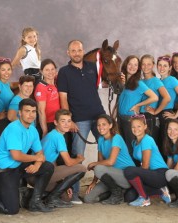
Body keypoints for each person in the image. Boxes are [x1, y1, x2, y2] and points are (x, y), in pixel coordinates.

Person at [57, 40, 105, 204]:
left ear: (83, 51)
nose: (77, 53)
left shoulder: (92, 67)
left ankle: (108, 187)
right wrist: (69, 120)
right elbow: (63, 97)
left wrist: (119, 78)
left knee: (108, 149)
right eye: (73, 50)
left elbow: (102, 82)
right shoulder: (64, 72)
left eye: (79, 50)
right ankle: (75, 193)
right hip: (80, 119)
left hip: (99, 115)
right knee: (78, 155)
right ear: (68, 53)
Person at [0, 98, 54, 214]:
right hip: (4, 170)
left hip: (18, 166)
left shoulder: (33, 129)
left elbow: (40, 153)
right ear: (20, 113)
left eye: (33, 111)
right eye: (27, 111)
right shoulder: (14, 128)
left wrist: (37, 164)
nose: (31, 115)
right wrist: (36, 158)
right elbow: (16, 155)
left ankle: (35, 201)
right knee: (11, 210)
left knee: (48, 167)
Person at [84, 114, 135, 205]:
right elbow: (100, 162)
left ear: (110, 125)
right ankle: (115, 193)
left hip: (126, 176)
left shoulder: (116, 138)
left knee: (98, 167)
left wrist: (93, 164)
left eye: (104, 124)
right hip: (112, 177)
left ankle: (117, 195)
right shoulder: (100, 140)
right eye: (98, 125)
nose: (100, 127)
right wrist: (94, 182)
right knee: (88, 198)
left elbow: (110, 162)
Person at [41, 109, 86, 208]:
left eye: (69, 121)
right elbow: (69, 163)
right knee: (82, 168)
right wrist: (79, 158)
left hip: (42, 176)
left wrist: (63, 183)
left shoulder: (53, 134)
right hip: (41, 176)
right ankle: (51, 199)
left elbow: (52, 162)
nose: (66, 124)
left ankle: (38, 195)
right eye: (63, 121)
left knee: (66, 197)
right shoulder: (58, 137)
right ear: (56, 122)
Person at [123, 115, 170, 207]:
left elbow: (145, 165)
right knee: (129, 196)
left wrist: (137, 175)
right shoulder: (134, 142)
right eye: (133, 127)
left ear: (145, 127)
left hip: (160, 174)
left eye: (139, 126)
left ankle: (144, 199)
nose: (136, 129)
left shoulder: (147, 140)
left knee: (129, 170)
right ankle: (161, 191)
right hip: (150, 174)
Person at [117, 55, 158, 156]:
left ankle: (133, 169)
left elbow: (154, 97)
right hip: (120, 118)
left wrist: (139, 105)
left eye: (136, 65)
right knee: (122, 147)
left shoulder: (138, 83)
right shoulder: (123, 81)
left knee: (130, 148)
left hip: (129, 119)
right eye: (130, 64)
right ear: (126, 65)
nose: (132, 67)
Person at [151, 55, 178, 156]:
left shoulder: (172, 80)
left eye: (165, 66)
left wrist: (176, 115)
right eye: (160, 65)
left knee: (165, 144)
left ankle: (167, 169)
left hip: (166, 114)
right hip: (157, 114)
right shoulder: (158, 81)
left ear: (170, 68)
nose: (162, 68)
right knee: (157, 143)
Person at [140, 54, 170, 146]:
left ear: (153, 65)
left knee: (150, 147)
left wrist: (156, 111)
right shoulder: (140, 81)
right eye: (143, 64)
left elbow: (167, 97)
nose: (146, 67)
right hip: (140, 117)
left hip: (150, 118)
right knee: (142, 146)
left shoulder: (156, 81)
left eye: (148, 64)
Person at [34, 59, 60, 138]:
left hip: (58, 122)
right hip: (48, 123)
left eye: (52, 69)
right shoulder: (41, 87)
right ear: (41, 71)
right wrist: (45, 130)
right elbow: (41, 111)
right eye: (47, 70)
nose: (50, 72)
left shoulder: (56, 84)